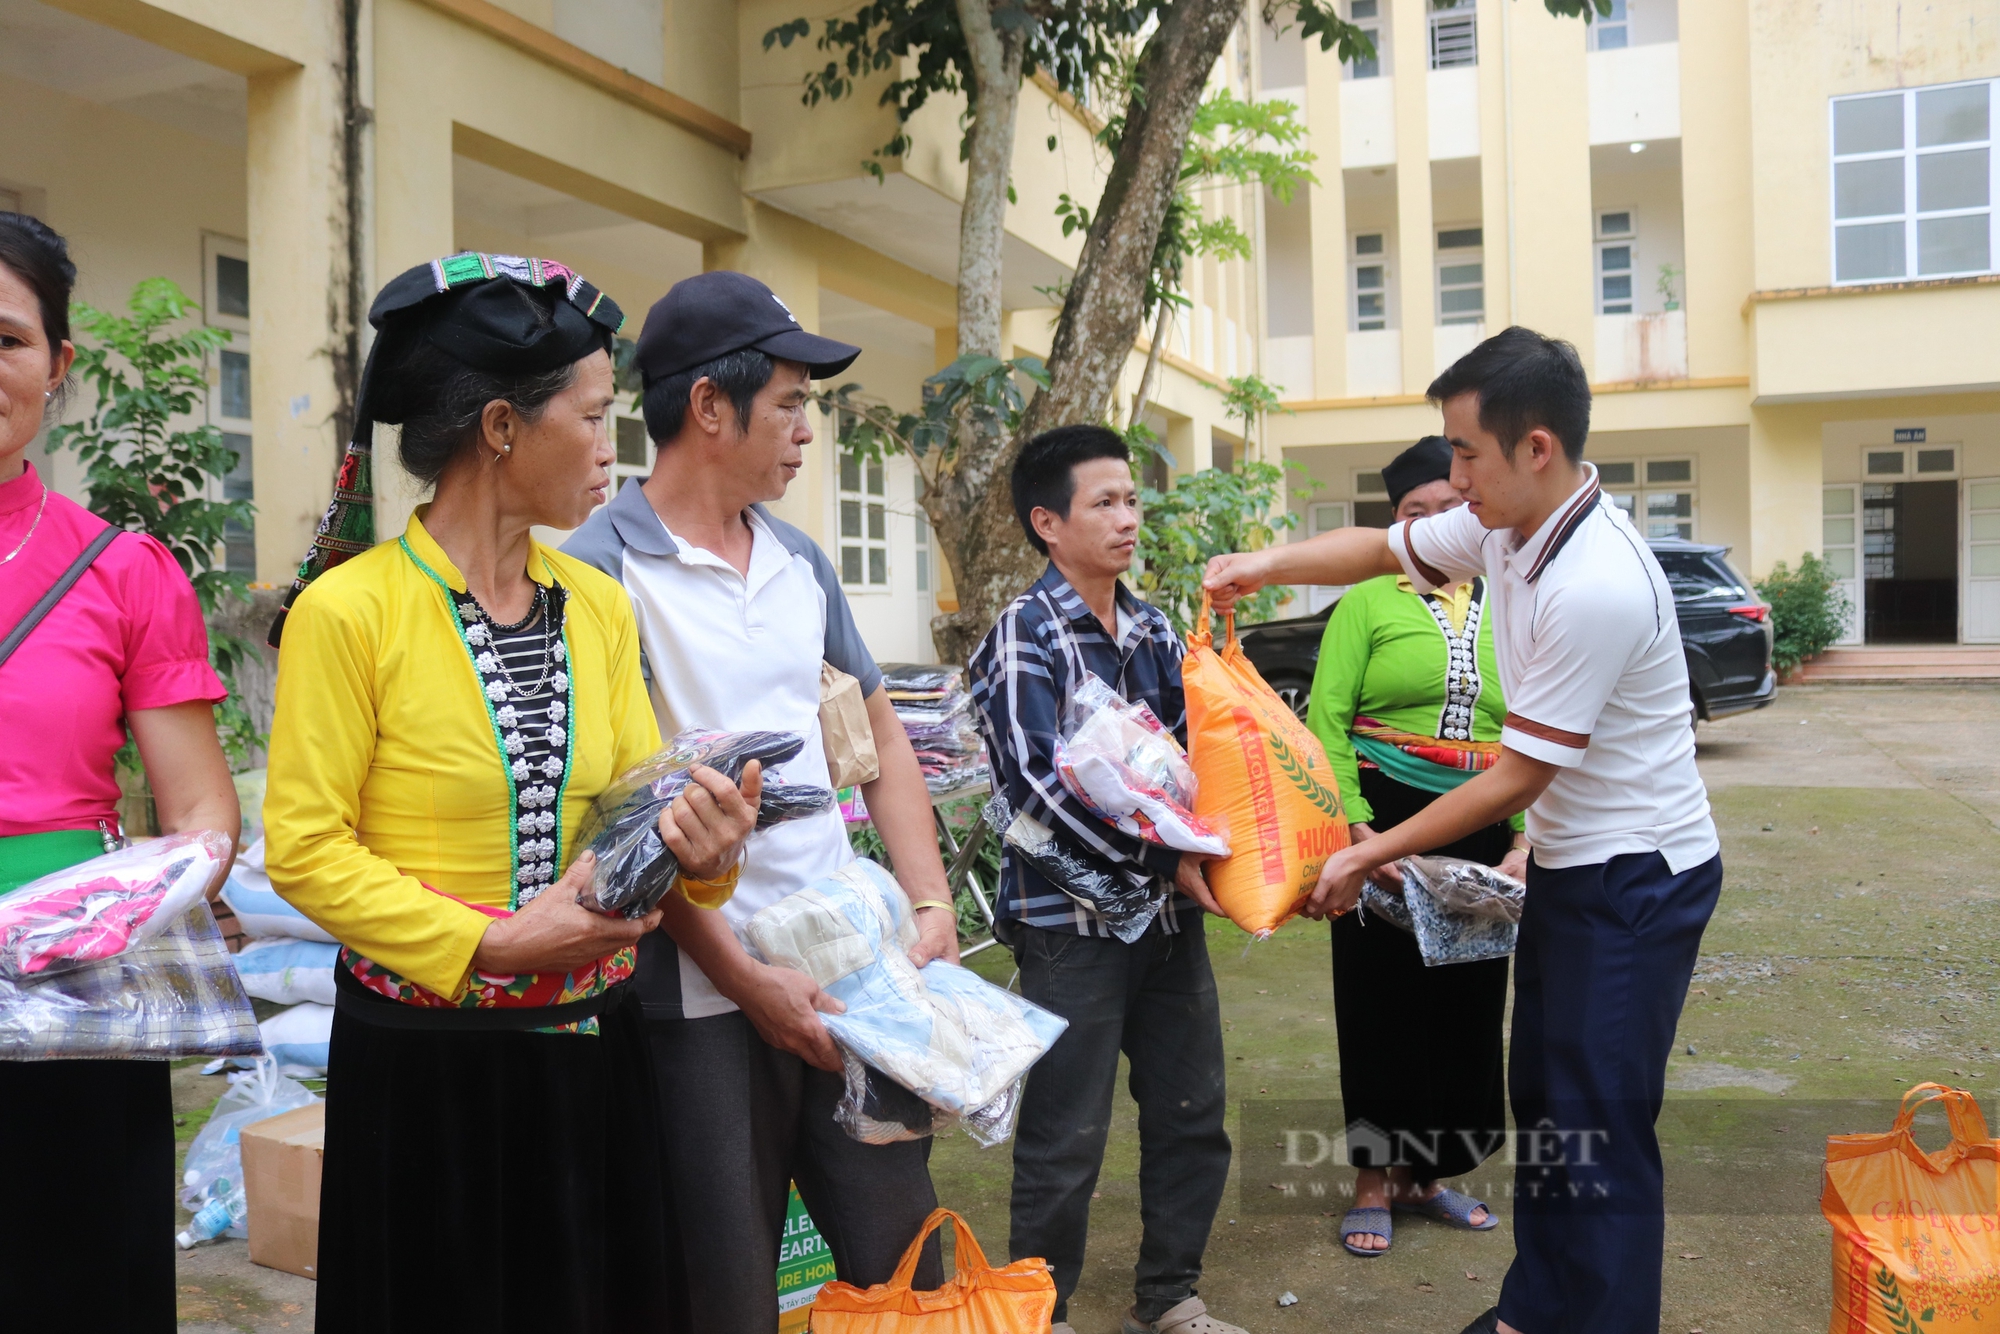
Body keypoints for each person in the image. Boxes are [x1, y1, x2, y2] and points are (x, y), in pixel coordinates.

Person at [263, 253, 758, 1330]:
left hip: (591, 1044)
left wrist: (705, 853)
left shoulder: (595, 605)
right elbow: (304, 847)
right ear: (501, 428)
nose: (609, 445)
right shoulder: (351, 612)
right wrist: (486, 945)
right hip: (424, 1076)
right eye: (590, 416)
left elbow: (635, 810)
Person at [1204, 327, 1721, 1334]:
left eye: (1464, 453)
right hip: (1577, 868)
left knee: (1598, 1121)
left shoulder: (1595, 581)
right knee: (1547, 1099)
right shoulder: (1509, 530)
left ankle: (1600, 1317)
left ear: (1535, 447)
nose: (1451, 476)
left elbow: (1516, 774)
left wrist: (1364, 851)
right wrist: (1258, 564)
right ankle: (1537, 1306)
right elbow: (1375, 545)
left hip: (1636, 878)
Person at [563, 269, 956, 1332]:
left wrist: (928, 905)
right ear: (706, 405)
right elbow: (620, 827)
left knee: (904, 1254)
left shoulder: (797, 560)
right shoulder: (597, 574)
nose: (804, 433)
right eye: (788, 403)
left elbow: (878, 737)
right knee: (718, 1284)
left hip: (850, 973)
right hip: (697, 1001)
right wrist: (745, 979)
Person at [0, 213, 241, 1328]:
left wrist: (84, 911)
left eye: (6, 338)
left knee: (78, 1282)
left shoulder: (122, 570)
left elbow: (199, 818)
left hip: (72, 1006)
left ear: (59, 365)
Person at [968, 424, 1245, 1334]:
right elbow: (1038, 791)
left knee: (1191, 1112)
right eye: (1105, 503)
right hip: (1068, 929)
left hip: (1167, 925)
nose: (1128, 518)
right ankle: (1038, 1315)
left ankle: (1171, 1298)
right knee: (1065, 1138)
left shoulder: (1157, 628)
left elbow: (1191, 755)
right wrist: (1167, 856)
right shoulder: (1025, 634)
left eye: (1132, 499)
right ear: (1049, 523)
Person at [1305, 435, 1528, 1258]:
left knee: (1466, 1007)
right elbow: (1324, 723)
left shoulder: (1513, 596)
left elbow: (1544, 728)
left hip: (1485, 825)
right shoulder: (1366, 601)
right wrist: (1360, 833)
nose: (1434, 526)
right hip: (1381, 819)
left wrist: (1524, 841)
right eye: (1413, 515)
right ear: (1395, 525)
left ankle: (1430, 1174)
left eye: (1450, 511)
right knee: (1377, 1003)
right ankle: (1373, 1177)